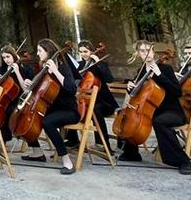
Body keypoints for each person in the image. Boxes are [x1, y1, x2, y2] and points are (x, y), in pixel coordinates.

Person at [117, 41, 191, 174]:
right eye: (142, 51)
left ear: (153, 51)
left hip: (172, 111)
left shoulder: (165, 69)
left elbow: (177, 91)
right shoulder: (141, 71)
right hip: (150, 110)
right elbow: (137, 95)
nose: (146, 53)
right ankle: (131, 152)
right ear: (138, 54)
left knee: (159, 121)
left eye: (148, 49)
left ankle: (183, 161)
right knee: (126, 115)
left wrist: (159, 74)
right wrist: (131, 88)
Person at [19, 38, 81, 174]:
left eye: (40, 50)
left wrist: (56, 71)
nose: (37, 53)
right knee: (25, 117)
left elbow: (71, 88)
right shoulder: (44, 67)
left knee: (48, 122)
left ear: (48, 51)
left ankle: (67, 161)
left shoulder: (61, 65)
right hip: (53, 108)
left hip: (69, 110)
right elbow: (41, 89)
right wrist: (32, 83)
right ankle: (37, 152)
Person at [75, 40, 118, 147]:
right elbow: (75, 81)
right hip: (86, 101)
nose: (83, 54)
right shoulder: (80, 66)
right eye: (80, 52)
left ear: (92, 51)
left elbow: (109, 79)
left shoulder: (101, 64)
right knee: (68, 107)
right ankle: (72, 140)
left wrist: (98, 62)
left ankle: (103, 143)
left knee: (95, 110)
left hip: (104, 102)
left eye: (85, 51)